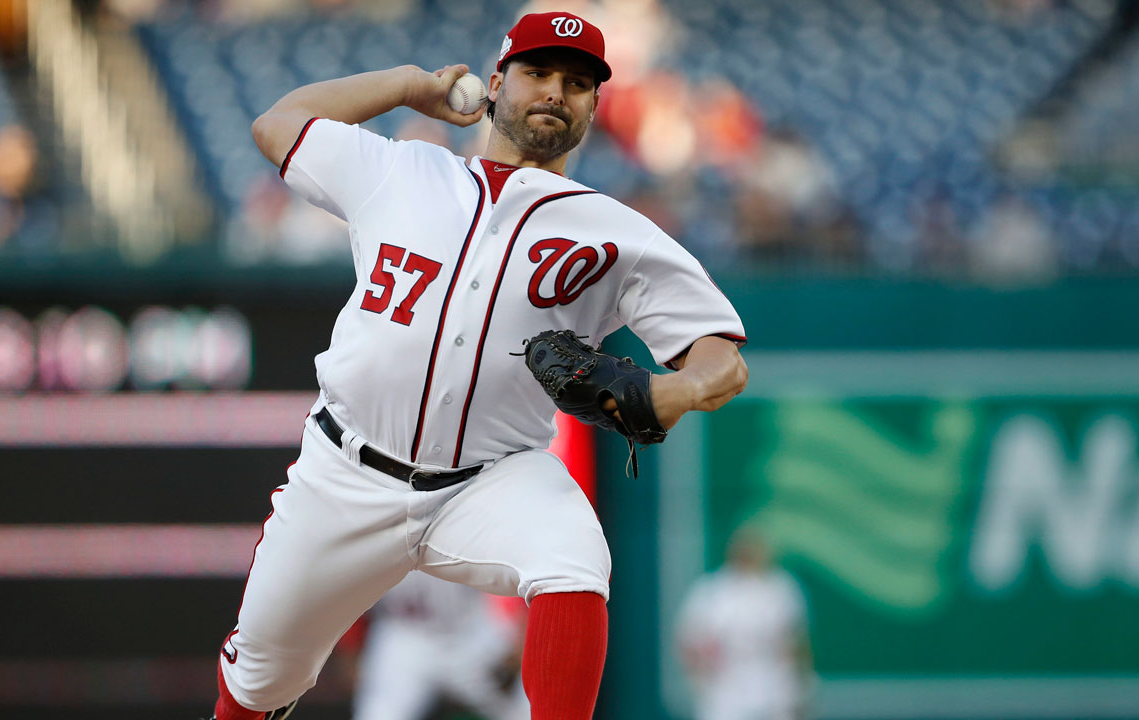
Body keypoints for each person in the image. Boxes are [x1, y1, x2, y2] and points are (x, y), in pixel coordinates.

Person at [215, 11, 748, 719]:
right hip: (343, 474)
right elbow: (277, 123)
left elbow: (722, 362)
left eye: (578, 83)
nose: (557, 91)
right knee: (257, 681)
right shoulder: (401, 170)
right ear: (496, 83)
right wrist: (407, 87)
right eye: (538, 73)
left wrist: (668, 392)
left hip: (490, 477)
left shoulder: (615, 232)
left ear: (594, 106)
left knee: (573, 554)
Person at [676, 527, 813, 720]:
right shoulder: (711, 592)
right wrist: (700, 682)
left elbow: (797, 644)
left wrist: (800, 687)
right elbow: (690, 645)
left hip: (773, 684)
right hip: (726, 689)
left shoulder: (782, 588)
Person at [351, 571, 528, 720]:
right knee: (378, 715)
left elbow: (502, 571)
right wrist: (351, 647)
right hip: (405, 637)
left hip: (469, 632)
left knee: (527, 709)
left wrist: (515, 634)